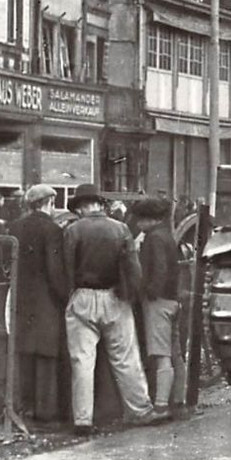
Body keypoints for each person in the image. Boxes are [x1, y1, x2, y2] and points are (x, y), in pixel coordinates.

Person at [62, 182, 160, 434]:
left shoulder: (73, 231)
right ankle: (139, 410)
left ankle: (83, 420)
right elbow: (133, 269)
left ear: (82, 208)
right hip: (115, 298)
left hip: (83, 296)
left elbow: (67, 268)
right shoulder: (121, 229)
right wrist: (131, 295)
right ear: (100, 204)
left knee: (82, 361)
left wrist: (71, 294)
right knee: (126, 357)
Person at [0, 184, 68, 444]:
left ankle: (24, 405)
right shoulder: (53, 230)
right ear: (49, 202)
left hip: (20, 297)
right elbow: (54, 270)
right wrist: (64, 295)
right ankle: (44, 412)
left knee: (23, 351)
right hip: (45, 300)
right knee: (46, 353)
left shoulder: (16, 227)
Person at [130, 196, 183, 417]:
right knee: (175, 352)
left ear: (149, 219)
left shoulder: (154, 239)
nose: (138, 225)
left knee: (161, 354)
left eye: (140, 220)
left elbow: (159, 268)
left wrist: (150, 291)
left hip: (158, 302)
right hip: (172, 300)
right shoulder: (167, 235)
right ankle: (179, 398)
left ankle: (161, 405)